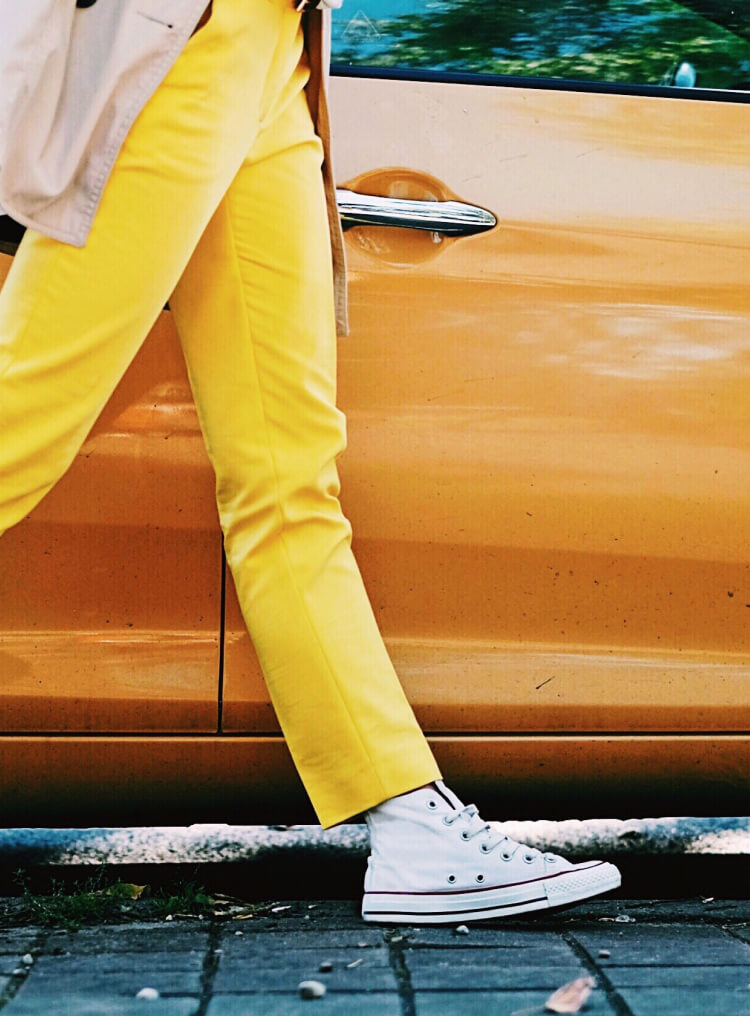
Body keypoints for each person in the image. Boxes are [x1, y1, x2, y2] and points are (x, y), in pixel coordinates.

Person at [0, 0, 620, 924]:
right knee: (23, 418)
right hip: (179, 44)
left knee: (289, 476)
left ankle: (412, 822)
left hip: (275, 56)